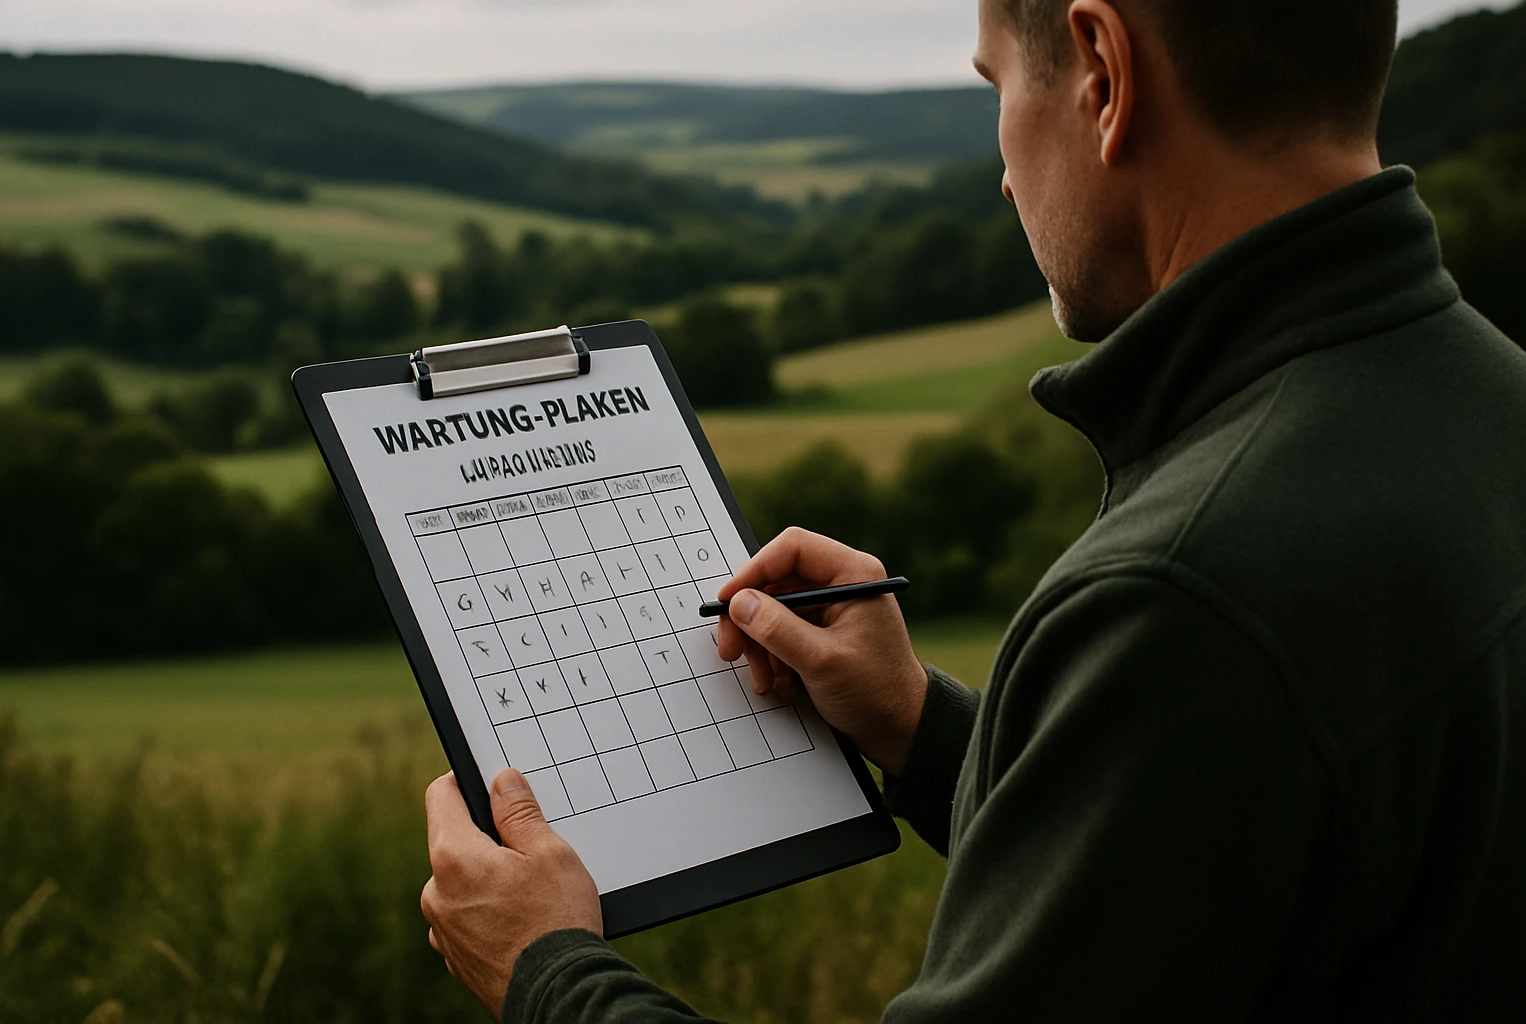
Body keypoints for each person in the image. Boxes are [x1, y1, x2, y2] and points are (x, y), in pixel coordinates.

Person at [420, 0, 1526, 1018]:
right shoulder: (1485, 396)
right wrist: (921, 728)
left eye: (997, 86)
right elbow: (1215, 863)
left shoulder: (1189, 591)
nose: (1002, 170)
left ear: (1102, 71)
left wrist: (548, 971)